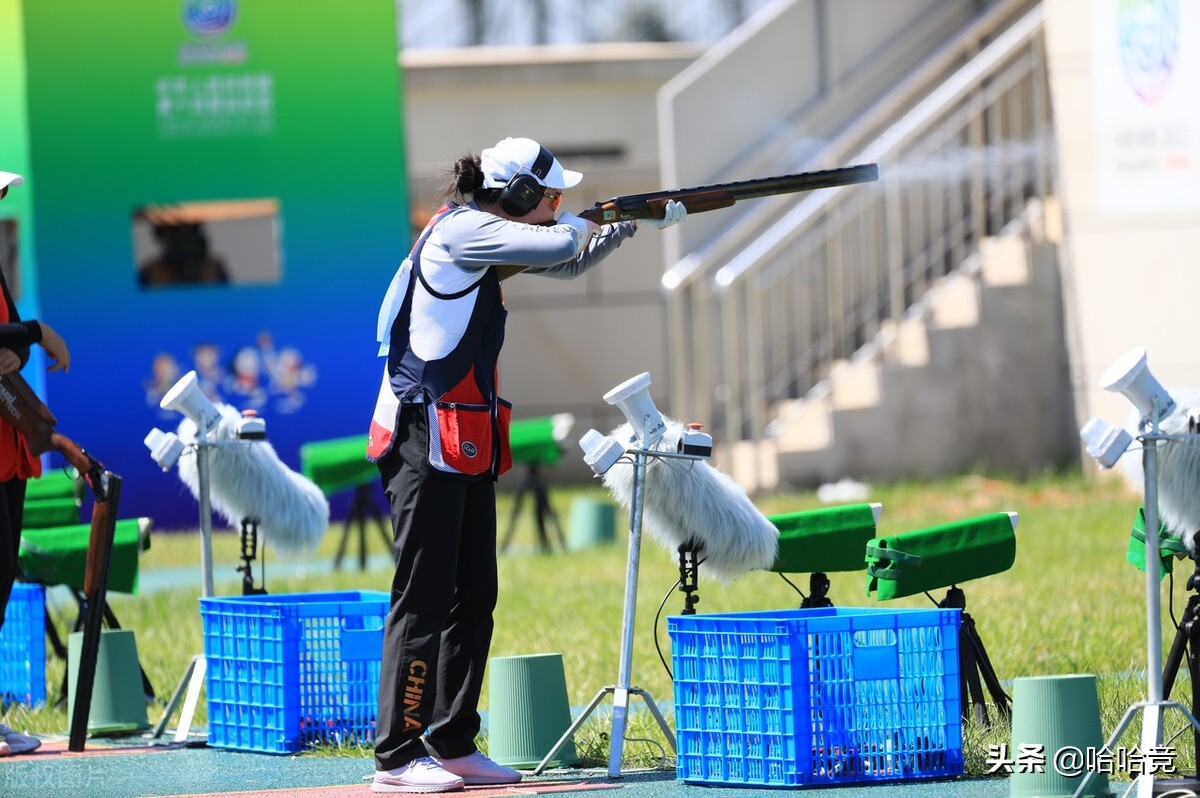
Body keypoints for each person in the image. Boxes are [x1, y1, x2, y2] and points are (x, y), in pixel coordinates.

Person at [364, 138, 686, 794]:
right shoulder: (462, 232)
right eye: (548, 196)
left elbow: (566, 260)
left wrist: (631, 221)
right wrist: (601, 219)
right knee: (422, 598)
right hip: (424, 435)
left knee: (474, 594)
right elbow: (561, 247)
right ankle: (397, 756)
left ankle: (451, 740)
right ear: (513, 195)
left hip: (459, 438)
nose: (557, 206)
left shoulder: (487, 239)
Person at [0, 170, 69, 757]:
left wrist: (21, 338)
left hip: (10, 449)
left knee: (0, 584)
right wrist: (35, 330)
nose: (0, 202)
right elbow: (20, 336)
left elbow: (12, 350)